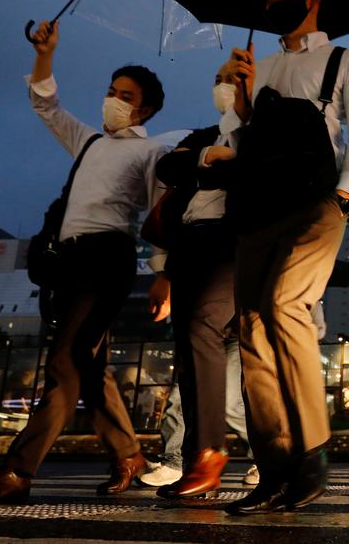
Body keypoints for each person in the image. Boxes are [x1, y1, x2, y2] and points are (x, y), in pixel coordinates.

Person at [0, 20, 165, 503]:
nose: (112, 99)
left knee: (66, 362)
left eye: (124, 95)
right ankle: (130, 456)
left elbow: (160, 216)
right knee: (89, 365)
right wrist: (45, 53)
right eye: (111, 90)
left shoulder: (152, 150)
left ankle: (17, 470)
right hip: (70, 263)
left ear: (144, 107)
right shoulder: (88, 141)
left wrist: (164, 275)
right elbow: (45, 104)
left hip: (107, 258)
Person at [218, 0, 349, 515]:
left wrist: (346, 194)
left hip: (317, 202)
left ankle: (312, 451)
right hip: (258, 206)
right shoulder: (255, 66)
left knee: (286, 303)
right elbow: (236, 145)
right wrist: (238, 102)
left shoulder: (345, 59)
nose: (273, 3)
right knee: (252, 328)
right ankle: (275, 466)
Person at [148, 69, 245, 498]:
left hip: (233, 241)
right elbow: (168, 165)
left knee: (205, 329)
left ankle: (209, 453)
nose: (223, 83)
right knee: (187, 354)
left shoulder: (261, 130)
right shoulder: (204, 133)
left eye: (234, 77)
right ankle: (194, 467)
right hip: (188, 241)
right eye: (219, 76)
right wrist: (208, 155)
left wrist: (233, 161)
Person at [141, 335, 259, 490]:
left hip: (232, 335)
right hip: (199, 337)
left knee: (230, 406)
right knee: (178, 402)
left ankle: (264, 461)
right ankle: (174, 464)